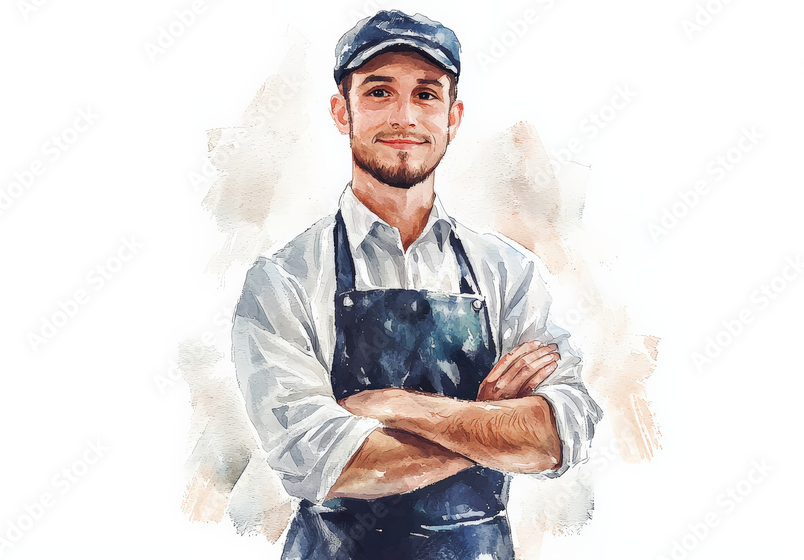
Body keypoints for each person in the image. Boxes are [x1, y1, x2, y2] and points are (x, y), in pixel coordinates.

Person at [231, 10, 602, 560]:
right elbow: (321, 461)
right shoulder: (283, 279)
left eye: (426, 95)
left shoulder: (508, 272)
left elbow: (561, 434)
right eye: (379, 92)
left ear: (453, 116)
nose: (404, 116)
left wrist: (395, 405)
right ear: (342, 110)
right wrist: (489, 420)